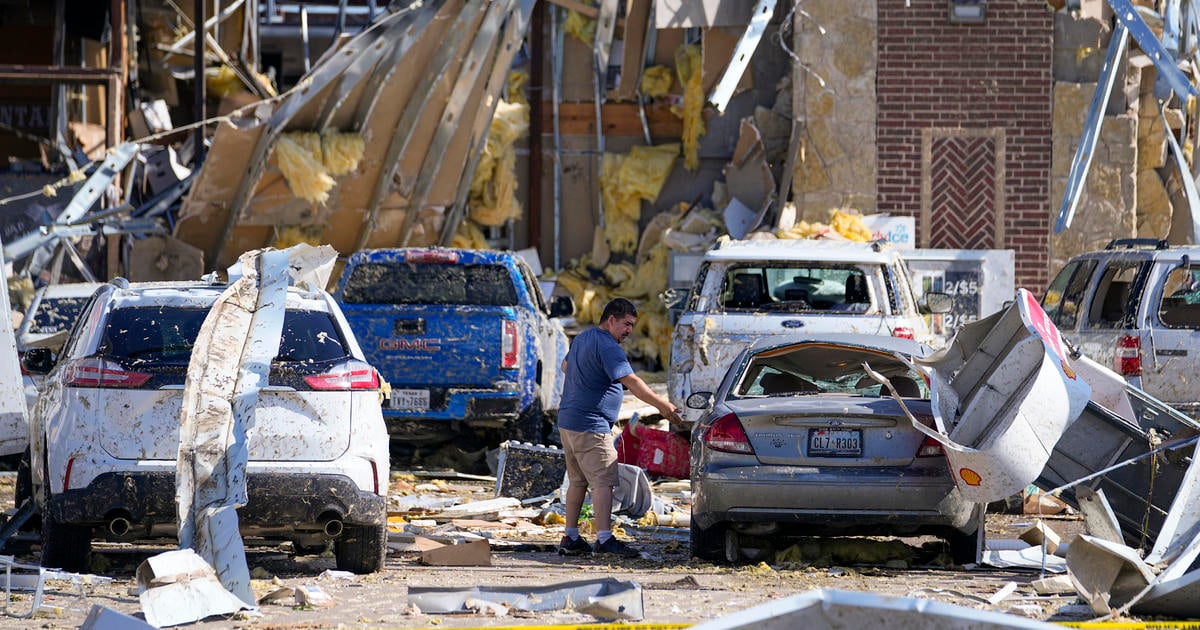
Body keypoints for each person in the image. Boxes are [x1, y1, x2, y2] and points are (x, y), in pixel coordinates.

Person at [556, 297, 683, 557]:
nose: (628, 331)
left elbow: (565, 366)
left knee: (578, 482)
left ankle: (570, 538)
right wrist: (663, 407)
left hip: (568, 421)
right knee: (604, 481)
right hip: (591, 425)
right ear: (611, 319)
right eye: (626, 324)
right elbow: (633, 381)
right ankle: (603, 539)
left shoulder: (583, 338)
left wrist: (589, 381)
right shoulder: (608, 346)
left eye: (632, 326)